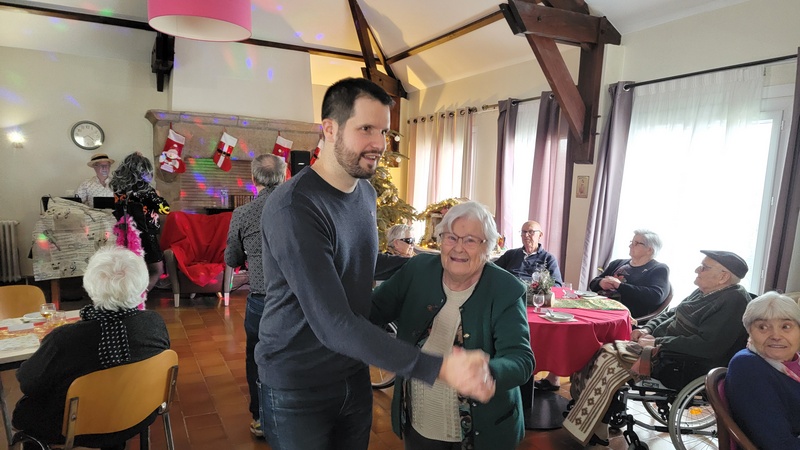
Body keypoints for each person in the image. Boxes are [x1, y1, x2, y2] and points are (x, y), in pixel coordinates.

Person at [256, 77, 494, 450]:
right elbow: (333, 323)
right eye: (366, 128)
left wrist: (439, 262)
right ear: (329, 129)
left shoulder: (364, 192)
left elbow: (361, 263)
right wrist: (440, 367)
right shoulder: (295, 208)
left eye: (383, 130)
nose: (379, 144)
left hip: (352, 370)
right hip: (297, 383)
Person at [371, 201, 534, 450]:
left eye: (470, 240)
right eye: (451, 237)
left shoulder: (506, 289)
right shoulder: (418, 269)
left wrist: (488, 372)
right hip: (419, 421)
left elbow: (521, 358)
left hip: (482, 433)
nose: (458, 248)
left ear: (488, 247)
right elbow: (375, 310)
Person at [564, 250, 751, 446]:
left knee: (610, 359)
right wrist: (647, 328)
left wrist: (659, 343)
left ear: (723, 276)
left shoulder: (734, 301)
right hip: (659, 347)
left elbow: (708, 346)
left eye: (705, 267)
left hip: (682, 362)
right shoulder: (705, 291)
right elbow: (670, 313)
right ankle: (593, 414)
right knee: (602, 350)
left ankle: (594, 425)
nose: (698, 270)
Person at [12, 247, 170, 449]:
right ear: (141, 284)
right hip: (138, 414)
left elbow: (28, 383)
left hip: (77, 427)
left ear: (90, 285)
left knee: (29, 410)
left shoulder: (65, 339)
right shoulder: (154, 324)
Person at [224, 153, 286, 438]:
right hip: (298, 298)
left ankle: (261, 417)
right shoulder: (296, 207)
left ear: (253, 179)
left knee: (257, 357)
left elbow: (232, 258)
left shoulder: (243, 214)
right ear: (284, 176)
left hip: (263, 299)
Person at [726, 292, 800, 449]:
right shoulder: (748, 367)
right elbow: (778, 444)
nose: (776, 335)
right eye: (763, 327)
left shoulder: (794, 361)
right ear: (750, 332)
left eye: (786, 326)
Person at [110, 152, 170, 292]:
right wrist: (158, 195)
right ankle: (138, 297)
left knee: (132, 270)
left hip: (126, 234)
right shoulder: (147, 191)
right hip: (146, 235)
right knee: (157, 269)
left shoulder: (119, 191)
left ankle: (130, 296)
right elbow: (165, 209)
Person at [589, 229, 670, 318]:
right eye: (631, 242)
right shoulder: (617, 263)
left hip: (625, 316)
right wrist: (601, 283)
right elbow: (593, 284)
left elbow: (656, 296)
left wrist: (619, 286)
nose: (630, 246)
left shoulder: (658, 269)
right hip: (599, 308)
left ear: (650, 250)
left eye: (636, 243)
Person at [494, 220, 563, 286]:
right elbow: (493, 270)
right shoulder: (511, 254)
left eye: (531, 232)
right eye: (524, 232)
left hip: (532, 294)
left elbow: (556, 284)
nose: (526, 235)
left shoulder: (548, 258)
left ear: (540, 235)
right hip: (510, 291)